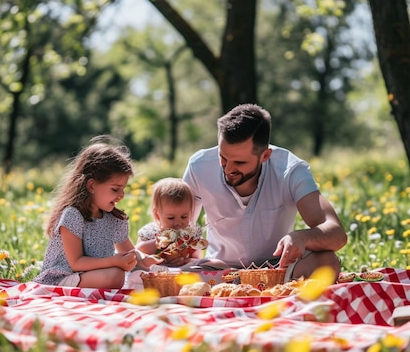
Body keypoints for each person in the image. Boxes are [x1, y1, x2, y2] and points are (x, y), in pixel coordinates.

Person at [182, 103, 347, 279]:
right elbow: (174, 226)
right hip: (218, 269)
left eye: (240, 163)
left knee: (327, 263)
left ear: (265, 156)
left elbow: (337, 234)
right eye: (222, 157)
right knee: (157, 274)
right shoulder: (199, 166)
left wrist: (303, 237)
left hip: (278, 270)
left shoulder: (290, 170)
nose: (228, 168)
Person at [34, 137, 160, 289]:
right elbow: (76, 263)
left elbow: (129, 252)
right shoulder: (72, 216)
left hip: (93, 274)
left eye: (123, 189)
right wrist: (114, 261)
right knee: (115, 275)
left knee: (139, 276)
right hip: (62, 278)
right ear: (91, 185)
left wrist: (143, 261)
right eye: (115, 189)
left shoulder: (113, 218)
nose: (122, 195)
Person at [136, 177, 206, 267]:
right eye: (171, 218)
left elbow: (197, 257)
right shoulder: (151, 231)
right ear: (157, 215)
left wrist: (188, 260)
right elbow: (137, 251)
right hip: (156, 273)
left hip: (181, 274)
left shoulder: (190, 234)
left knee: (210, 264)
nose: (178, 223)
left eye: (184, 217)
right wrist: (157, 244)